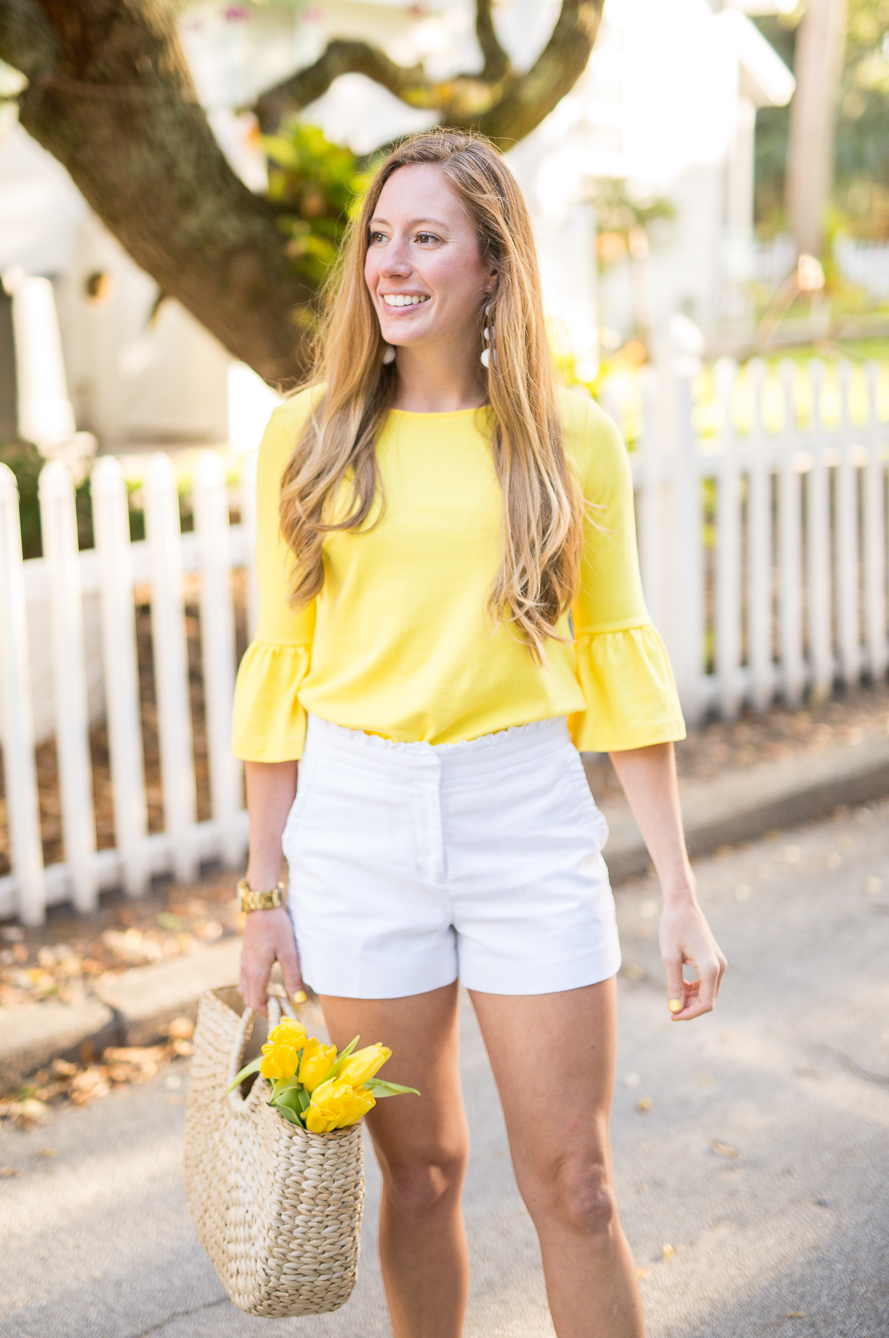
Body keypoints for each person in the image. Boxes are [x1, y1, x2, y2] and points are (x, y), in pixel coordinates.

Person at [231, 129, 726, 1338]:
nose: (391, 265)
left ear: (493, 265)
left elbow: (618, 662)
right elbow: (281, 673)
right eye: (378, 238)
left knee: (578, 1184)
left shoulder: (569, 435)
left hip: (523, 817)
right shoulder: (306, 436)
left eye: (427, 238)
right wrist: (262, 896)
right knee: (422, 1175)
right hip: (355, 827)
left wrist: (677, 889)